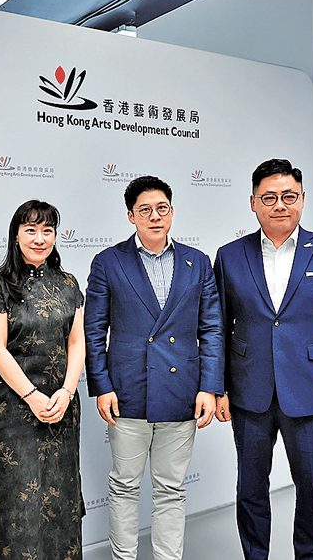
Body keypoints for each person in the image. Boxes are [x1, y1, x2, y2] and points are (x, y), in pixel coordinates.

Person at [213, 158, 313, 560]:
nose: (280, 204)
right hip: (249, 394)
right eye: (269, 197)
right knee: (250, 490)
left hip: (312, 393)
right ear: (253, 203)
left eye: (289, 196)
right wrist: (217, 388)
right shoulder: (230, 256)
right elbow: (217, 329)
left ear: (302, 199)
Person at [84, 175, 223, 560]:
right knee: (125, 486)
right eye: (145, 210)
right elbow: (93, 330)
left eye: (162, 208)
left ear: (172, 212)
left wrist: (209, 387)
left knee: (171, 489)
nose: (155, 216)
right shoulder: (109, 262)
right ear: (131, 216)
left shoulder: (198, 262)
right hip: (127, 391)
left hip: (182, 391)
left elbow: (211, 328)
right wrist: (102, 386)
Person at [0, 199, 86, 560]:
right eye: (30, 230)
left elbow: (76, 343)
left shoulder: (69, 284)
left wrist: (67, 392)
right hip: (14, 411)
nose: (39, 238)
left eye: (47, 230)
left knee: (61, 501)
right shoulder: (0, 286)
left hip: (61, 407)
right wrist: (31, 396)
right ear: (16, 235)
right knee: (19, 508)